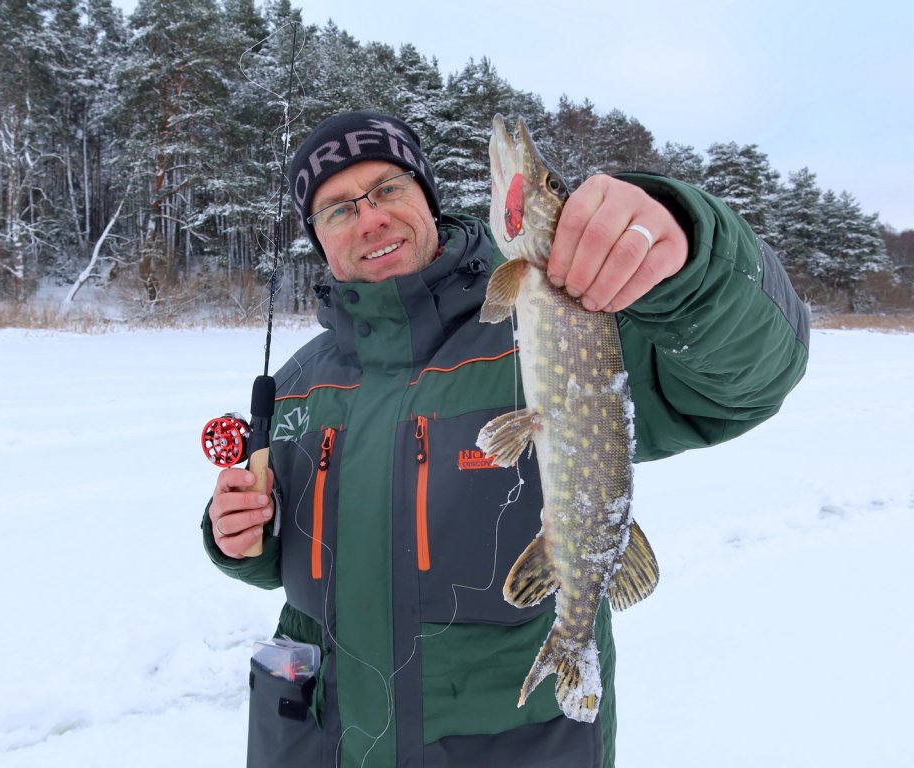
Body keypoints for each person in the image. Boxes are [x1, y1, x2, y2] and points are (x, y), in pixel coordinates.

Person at [202, 110, 809, 768]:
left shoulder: (564, 317)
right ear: (319, 239)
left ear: (428, 199)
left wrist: (693, 255)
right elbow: (286, 551)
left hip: (504, 744)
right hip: (321, 742)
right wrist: (238, 537)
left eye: (388, 189)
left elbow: (745, 380)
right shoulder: (299, 385)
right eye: (338, 209)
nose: (369, 218)